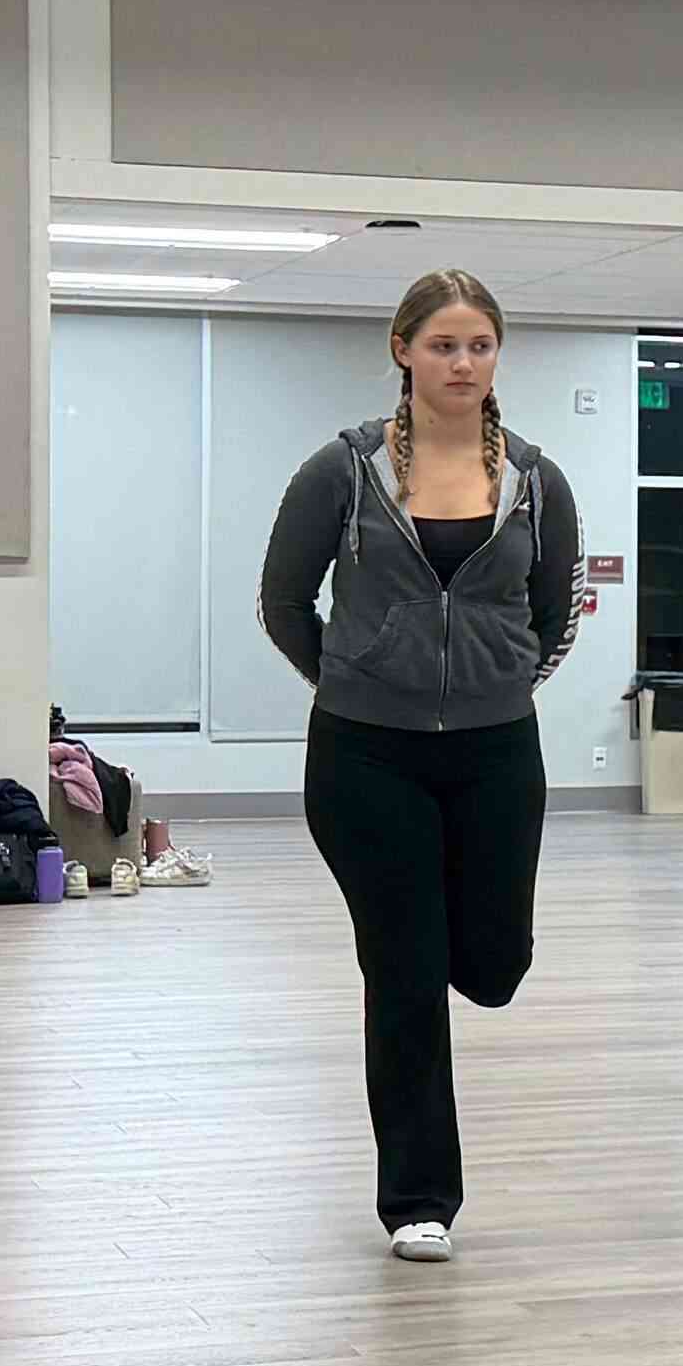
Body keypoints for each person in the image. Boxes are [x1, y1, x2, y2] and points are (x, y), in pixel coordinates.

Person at [258, 268, 583, 1259]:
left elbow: (554, 613)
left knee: (491, 965)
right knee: (401, 971)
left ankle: (461, 957)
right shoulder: (343, 470)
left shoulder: (533, 476)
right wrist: (357, 681)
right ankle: (419, 1200)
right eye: (443, 345)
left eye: (480, 345)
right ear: (402, 351)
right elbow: (283, 603)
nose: (463, 363)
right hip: (365, 757)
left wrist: (497, 685)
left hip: (495, 751)